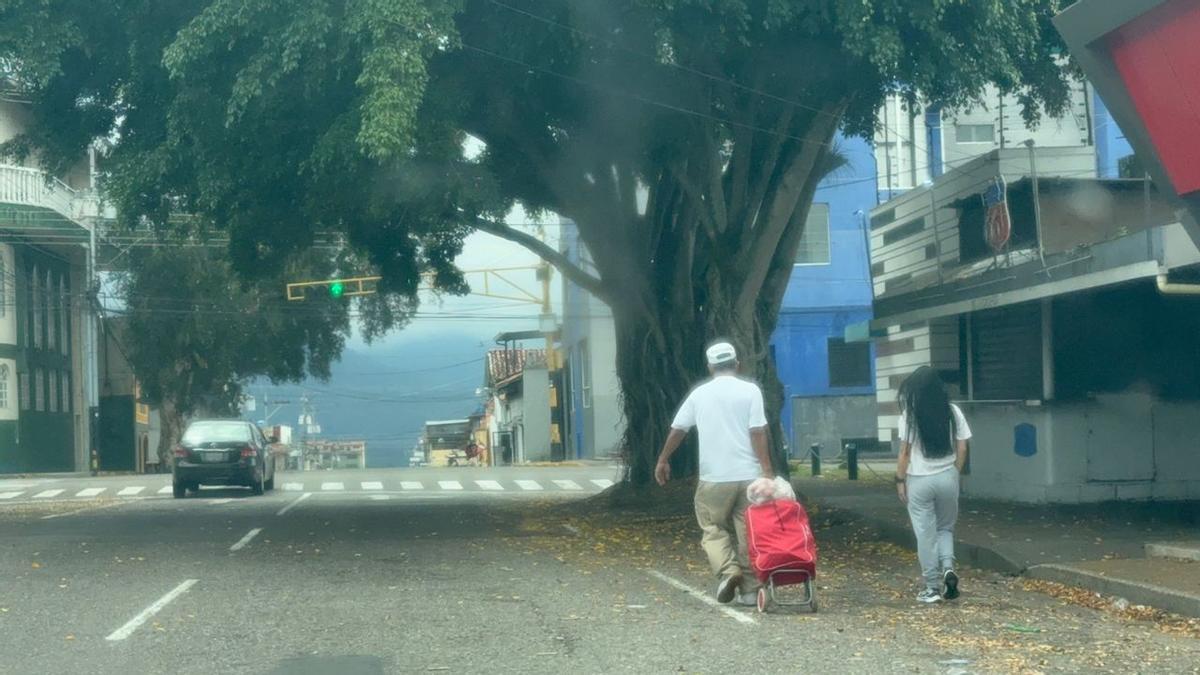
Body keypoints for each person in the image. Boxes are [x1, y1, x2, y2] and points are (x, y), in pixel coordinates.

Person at [655, 341, 775, 606]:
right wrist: (766, 471)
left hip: (713, 479)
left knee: (712, 528)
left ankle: (727, 571)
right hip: (748, 478)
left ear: (710, 367)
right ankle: (750, 592)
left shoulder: (699, 394)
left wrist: (663, 459)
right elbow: (757, 431)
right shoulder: (751, 391)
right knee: (748, 534)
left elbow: (678, 429)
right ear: (737, 363)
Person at [895, 366, 972, 604]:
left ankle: (932, 587)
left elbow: (905, 453)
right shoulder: (952, 411)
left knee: (925, 536)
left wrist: (899, 479)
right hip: (947, 476)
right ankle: (948, 568)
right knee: (945, 528)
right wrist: (954, 472)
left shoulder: (909, 415)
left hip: (919, 480)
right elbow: (962, 447)